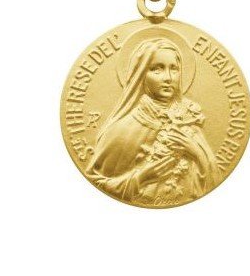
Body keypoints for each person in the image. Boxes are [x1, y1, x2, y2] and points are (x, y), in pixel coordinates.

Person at [85, 38, 220, 206]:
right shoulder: (122, 129)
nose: (168, 78)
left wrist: (197, 153)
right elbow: (94, 182)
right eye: (157, 69)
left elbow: (215, 181)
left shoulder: (188, 120)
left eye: (174, 69)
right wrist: (140, 178)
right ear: (141, 74)